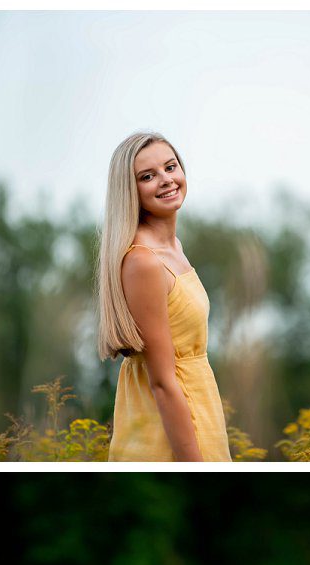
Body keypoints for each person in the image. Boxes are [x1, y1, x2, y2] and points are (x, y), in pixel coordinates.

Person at [97, 131, 232, 461]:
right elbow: (162, 382)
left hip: (199, 404)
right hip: (169, 428)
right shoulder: (144, 261)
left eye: (170, 167)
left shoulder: (174, 248)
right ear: (130, 190)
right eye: (147, 176)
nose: (166, 180)